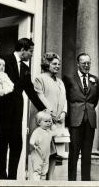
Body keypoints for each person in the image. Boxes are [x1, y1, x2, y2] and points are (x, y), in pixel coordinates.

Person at [0, 38, 45, 180]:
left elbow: (30, 91)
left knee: (17, 143)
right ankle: (1, 176)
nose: (31, 54)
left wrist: (43, 109)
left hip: (17, 111)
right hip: (3, 109)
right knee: (2, 143)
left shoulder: (25, 68)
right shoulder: (4, 60)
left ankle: (12, 177)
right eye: (30, 51)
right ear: (22, 50)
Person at [63, 53, 99, 181]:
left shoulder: (95, 79)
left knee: (87, 153)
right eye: (83, 63)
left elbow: (94, 100)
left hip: (89, 119)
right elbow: (66, 99)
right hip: (75, 119)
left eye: (88, 63)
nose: (86, 65)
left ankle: (86, 181)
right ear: (78, 64)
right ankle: (71, 181)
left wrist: (87, 110)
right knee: (73, 152)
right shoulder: (69, 78)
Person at [33, 52, 69, 180]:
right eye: (54, 63)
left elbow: (64, 99)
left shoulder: (60, 82)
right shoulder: (40, 78)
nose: (57, 66)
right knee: (43, 150)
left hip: (59, 121)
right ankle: (41, 178)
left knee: (55, 152)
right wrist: (51, 113)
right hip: (46, 120)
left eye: (59, 64)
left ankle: (51, 179)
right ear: (47, 64)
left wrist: (63, 112)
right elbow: (40, 96)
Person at [29, 110, 55, 181]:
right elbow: (31, 141)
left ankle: (42, 182)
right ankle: (36, 184)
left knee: (44, 170)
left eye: (50, 121)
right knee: (37, 170)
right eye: (46, 121)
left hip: (46, 155)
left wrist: (52, 123)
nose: (48, 123)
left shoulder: (49, 132)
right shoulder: (37, 131)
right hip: (37, 154)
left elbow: (55, 132)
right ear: (39, 122)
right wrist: (34, 145)